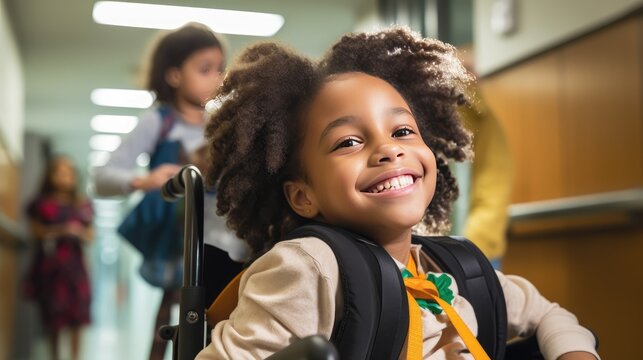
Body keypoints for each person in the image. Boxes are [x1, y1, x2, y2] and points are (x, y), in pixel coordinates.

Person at [195, 27, 599, 359]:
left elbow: (549, 315)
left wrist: (574, 353)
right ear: (303, 196)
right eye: (348, 142)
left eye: (403, 131)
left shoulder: (452, 267)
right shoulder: (308, 268)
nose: (389, 148)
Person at [92, 22, 246, 360]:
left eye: (219, 69)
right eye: (204, 69)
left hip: (222, 239)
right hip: (179, 238)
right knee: (171, 316)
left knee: (218, 317)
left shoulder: (223, 124)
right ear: (174, 75)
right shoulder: (158, 121)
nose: (216, 78)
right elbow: (102, 177)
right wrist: (142, 180)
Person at [25, 156, 93, 360]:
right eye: (59, 172)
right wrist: (61, 230)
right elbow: (36, 231)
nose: (64, 177)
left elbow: (90, 235)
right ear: (50, 176)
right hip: (51, 266)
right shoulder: (41, 204)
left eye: (68, 172)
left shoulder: (82, 203)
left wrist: (77, 233)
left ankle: (75, 357)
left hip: (76, 266)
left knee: (77, 315)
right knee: (54, 315)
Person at [454, 45, 513, 268]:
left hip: (475, 249)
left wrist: (471, 246)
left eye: (472, 69)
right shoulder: (421, 116)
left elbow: (494, 189)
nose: (471, 76)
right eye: (464, 68)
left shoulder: (483, 120)